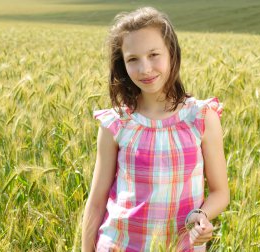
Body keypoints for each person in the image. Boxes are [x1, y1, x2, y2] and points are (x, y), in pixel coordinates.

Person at [82, 6, 229, 252]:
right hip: (118, 246)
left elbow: (220, 192)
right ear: (123, 65)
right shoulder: (116, 123)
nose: (145, 69)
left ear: (171, 53)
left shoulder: (202, 117)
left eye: (153, 55)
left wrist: (202, 215)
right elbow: (96, 203)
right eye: (133, 59)